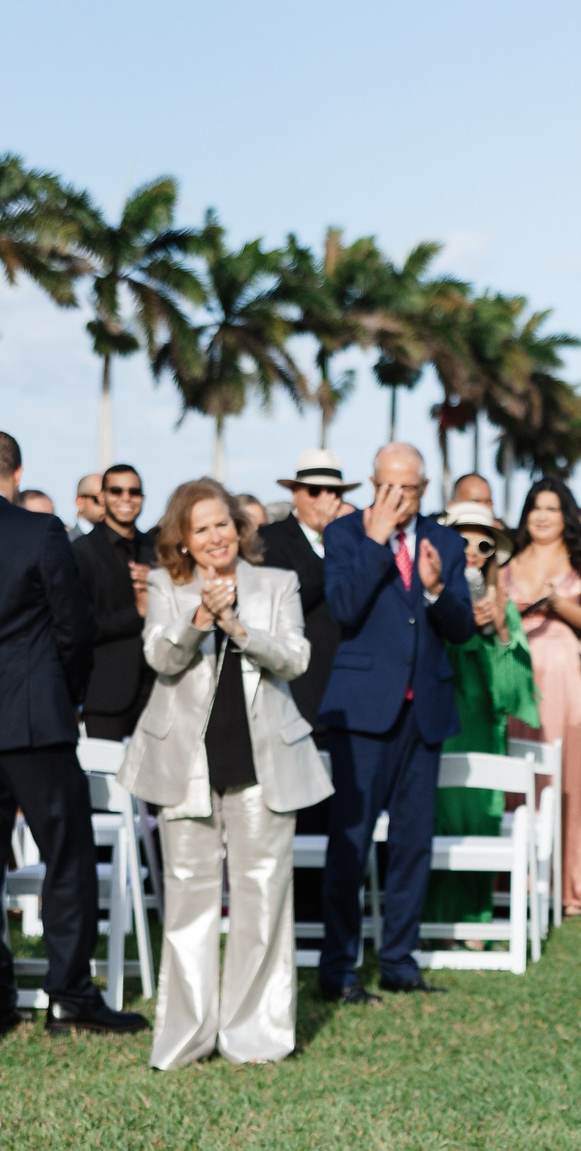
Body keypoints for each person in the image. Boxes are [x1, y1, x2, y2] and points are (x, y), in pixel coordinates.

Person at [0, 430, 141, 1037]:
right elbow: (74, 627)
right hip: (37, 720)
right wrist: (62, 695)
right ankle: (69, 994)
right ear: (16, 473)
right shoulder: (41, 532)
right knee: (67, 857)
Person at [120, 478, 331, 1069]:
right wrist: (197, 618)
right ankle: (187, 1038)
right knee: (188, 900)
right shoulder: (165, 584)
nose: (216, 536)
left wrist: (238, 627)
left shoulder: (278, 583)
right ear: (182, 540)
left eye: (223, 524)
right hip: (184, 764)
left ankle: (255, 1036)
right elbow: (160, 656)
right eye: (201, 527)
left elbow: (296, 658)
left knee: (263, 896)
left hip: (265, 761)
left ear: (240, 529)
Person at [314, 442, 478, 1003]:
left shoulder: (446, 542)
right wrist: (376, 541)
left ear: (425, 488)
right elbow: (343, 607)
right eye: (388, 486)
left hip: (424, 711)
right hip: (362, 712)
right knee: (350, 844)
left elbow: (462, 630)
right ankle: (336, 970)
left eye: (409, 488)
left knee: (414, 844)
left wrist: (434, 589)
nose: (399, 498)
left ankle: (399, 963)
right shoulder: (343, 536)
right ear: (372, 483)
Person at [424, 500, 539, 930]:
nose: (472, 550)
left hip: (482, 728)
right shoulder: (428, 595)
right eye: (461, 539)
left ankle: (475, 920)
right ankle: (434, 921)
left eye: (483, 542)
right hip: (439, 723)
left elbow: (514, 693)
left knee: (480, 818)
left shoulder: (502, 603)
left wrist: (499, 630)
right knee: (437, 818)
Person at [501, 478, 581, 914]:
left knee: (571, 778)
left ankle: (575, 886)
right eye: (535, 508)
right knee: (521, 775)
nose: (543, 516)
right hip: (519, 679)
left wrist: (557, 604)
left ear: (565, 515)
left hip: (568, 680)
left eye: (552, 508)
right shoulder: (508, 559)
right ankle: (520, 878)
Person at [259, 450, 355, 725]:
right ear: (295, 495)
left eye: (334, 492)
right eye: (315, 491)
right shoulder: (270, 539)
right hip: (297, 692)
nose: (325, 500)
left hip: (347, 691)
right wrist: (330, 536)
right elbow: (291, 600)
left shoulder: (355, 543)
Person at [73, 463, 154, 740]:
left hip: (158, 690)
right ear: (103, 496)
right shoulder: (81, 552)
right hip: (105, 693)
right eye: (116, 491)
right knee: (105, 782)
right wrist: (138, 612)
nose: (126, 498)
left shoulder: (156, 550)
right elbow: (80, 625)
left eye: (134, 492)